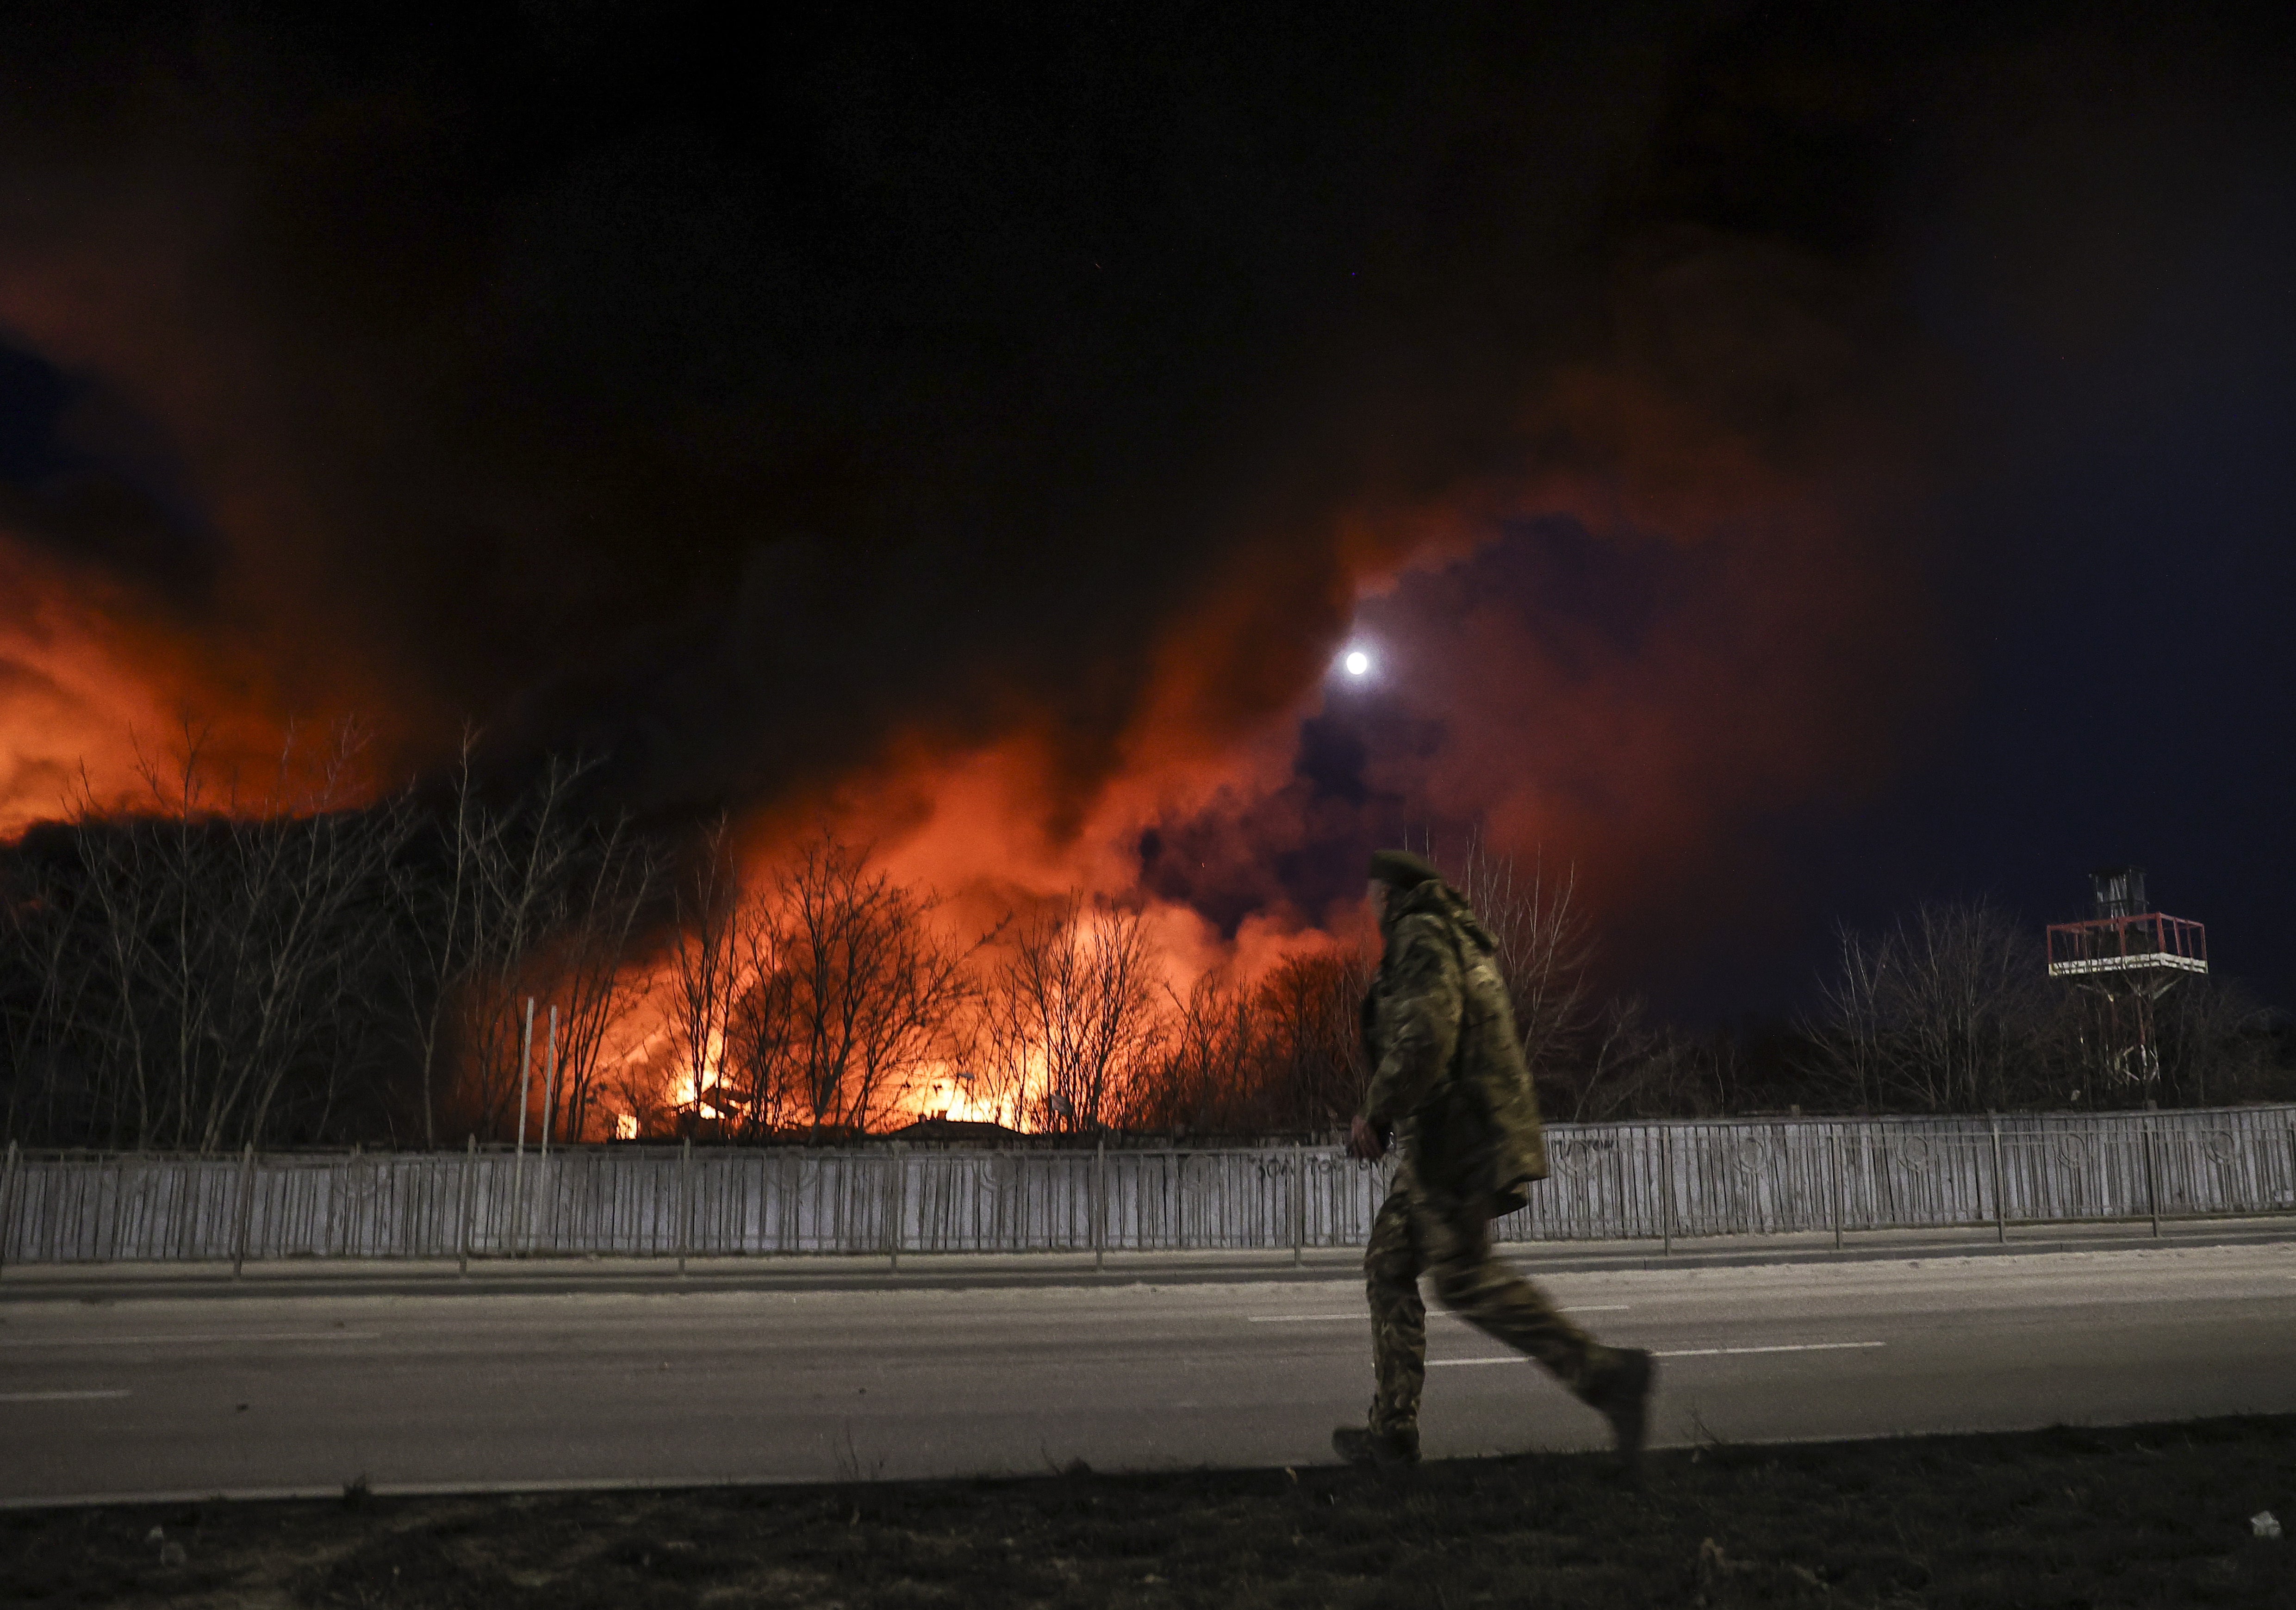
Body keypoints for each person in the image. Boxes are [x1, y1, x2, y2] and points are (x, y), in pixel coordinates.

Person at [1332, 849, 1655, 1478]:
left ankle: (1609, 1376)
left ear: (1392, 893)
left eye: (1371, 893)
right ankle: (1392, 1434)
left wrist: (1375, 1112)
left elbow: (1426, 1035)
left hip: (1455, 1140)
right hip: (1445, 1135)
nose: (1367, 907)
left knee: (1464, 1280)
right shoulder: (1446, 934)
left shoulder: (1421, 933)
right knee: (1389, 1263)